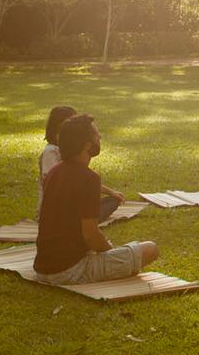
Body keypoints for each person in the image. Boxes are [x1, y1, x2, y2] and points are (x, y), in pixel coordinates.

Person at [34, 113, 158, 285]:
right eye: (96, 134)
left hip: (42, 269)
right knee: (150, 249)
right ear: (87, 145)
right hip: (69, 272)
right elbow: (91, 235)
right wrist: (109, 250)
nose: (100, 137)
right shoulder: (89, 178)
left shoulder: (54, 173)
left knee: (131, 248)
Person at [37, 105, 124, 222]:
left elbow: (79, 181)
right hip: (57, 211)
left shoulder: (77, 162)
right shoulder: (51, 154)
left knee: (112, 201)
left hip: (71, 206)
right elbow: (55, 186)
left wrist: (111, 192)